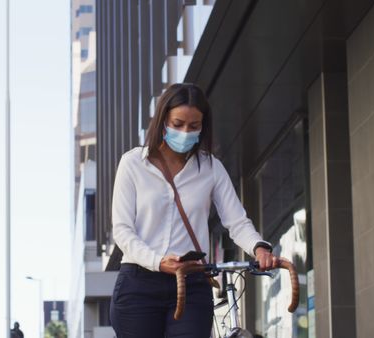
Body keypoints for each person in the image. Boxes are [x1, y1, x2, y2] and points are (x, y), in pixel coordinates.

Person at [109, 83, 279, 337]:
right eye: (177, 124)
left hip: (192, 285)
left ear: (203, 127)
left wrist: (259, 246)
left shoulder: (211, 168)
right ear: (162, 121)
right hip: (138, 284)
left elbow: (237, 221)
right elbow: (122, 230)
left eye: (194, 126)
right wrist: (157, 262)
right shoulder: (133, 163)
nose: (185, 132)